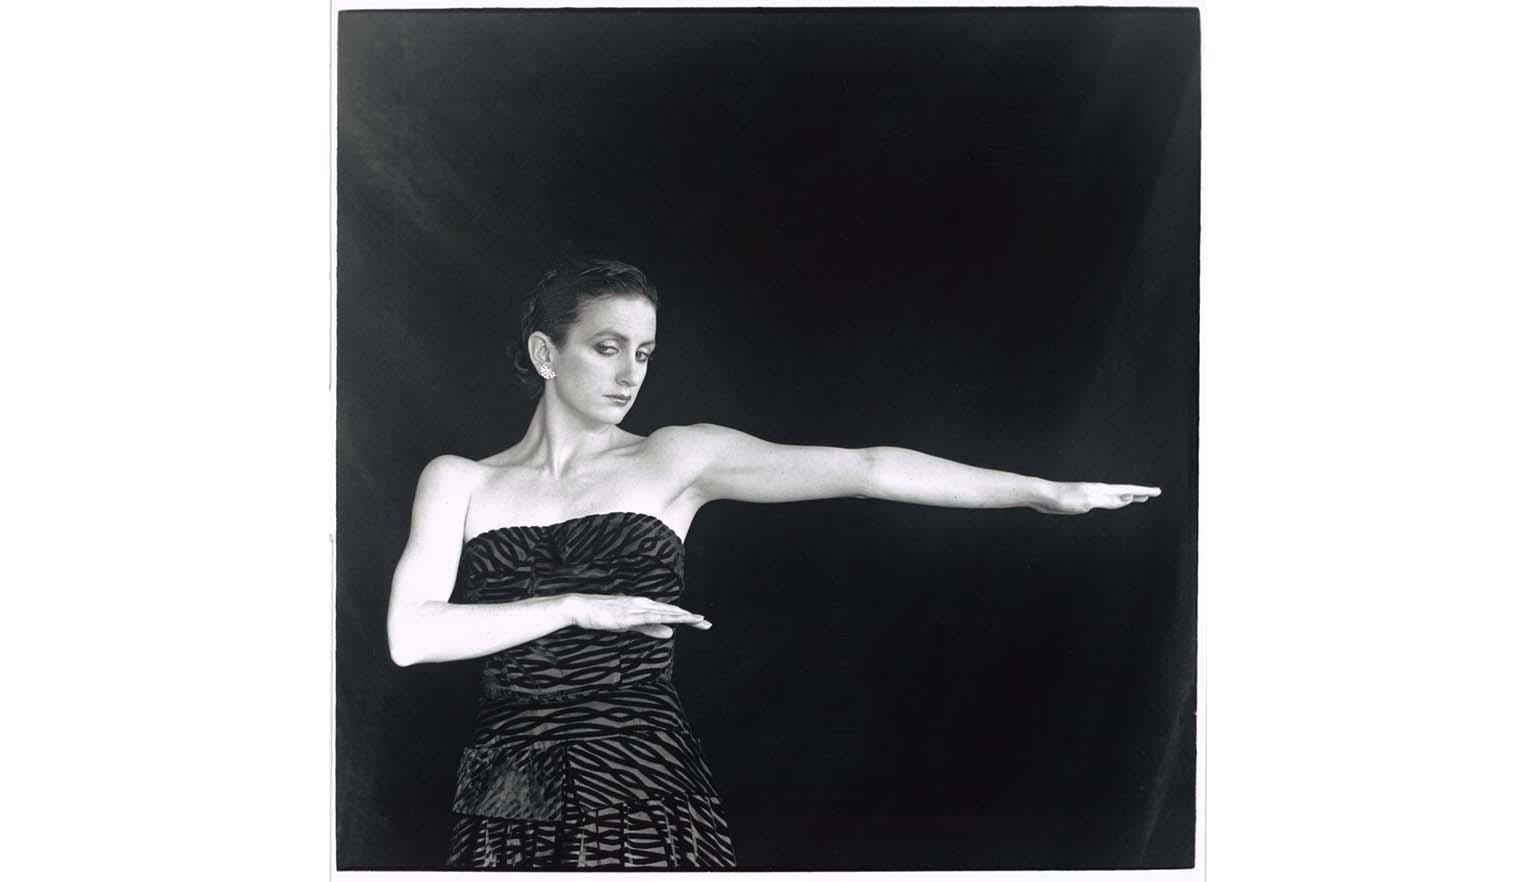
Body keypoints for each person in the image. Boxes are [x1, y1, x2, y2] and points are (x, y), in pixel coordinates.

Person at [385, 257, 1159, 869]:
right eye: (607, 347)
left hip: (640, 774)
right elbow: (410, 637)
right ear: (544, 353)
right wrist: (572, 606)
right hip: (505, 787)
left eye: (645, 352)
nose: (631, 374)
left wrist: (1040, 492)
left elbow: (868, 467)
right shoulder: (460, 480)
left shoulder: (675, 457)